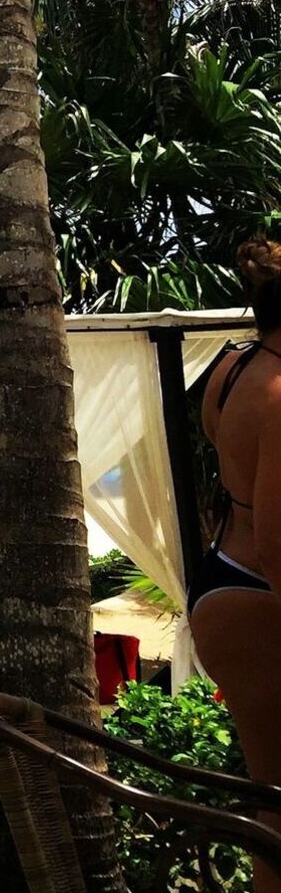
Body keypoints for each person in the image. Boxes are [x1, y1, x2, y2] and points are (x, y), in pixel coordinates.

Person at [194, 234, 281, 891]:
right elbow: (279, 540)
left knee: (270, 798)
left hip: (223, 575)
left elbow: (225, 468)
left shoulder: (231, 367)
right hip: (262, 593)